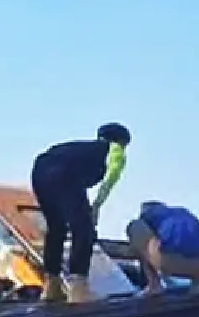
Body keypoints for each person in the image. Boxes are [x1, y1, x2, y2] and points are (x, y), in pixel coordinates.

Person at [29, 123, 131, 302]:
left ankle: (51, 286)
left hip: (40, 169)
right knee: (84, 230)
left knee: (56, 227)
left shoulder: (84, 149)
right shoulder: (115, 150)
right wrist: (97, 206)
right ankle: (79, 289)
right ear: (123, 141)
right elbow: (110, 178)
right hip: (65, 173)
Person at [125, 200, 199, 295]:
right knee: (196, 240)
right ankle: (197, 286)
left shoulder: (148, 215)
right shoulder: (181, 212)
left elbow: (142, 242)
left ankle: (154, 284)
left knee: (134, 226)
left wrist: (135, 249)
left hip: (169, 261)